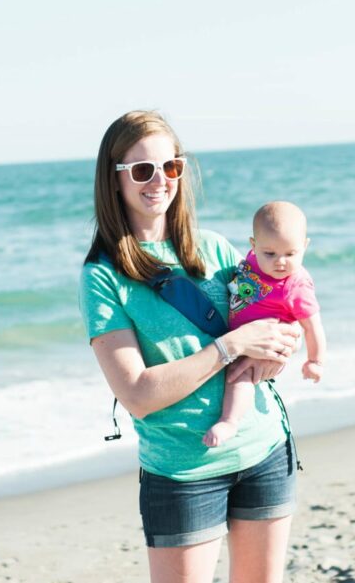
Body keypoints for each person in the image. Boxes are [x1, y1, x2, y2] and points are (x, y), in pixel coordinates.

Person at [79, 110, 302, 583]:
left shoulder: (217, 250)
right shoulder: (102, 277)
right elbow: (138, 395)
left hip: (264, 449)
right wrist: (231, 344)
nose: (158, 181)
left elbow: (265, 346)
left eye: (170, 167)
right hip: (182, 474)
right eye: (141, 170)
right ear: (113, 179)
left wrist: (280, 346)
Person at [203, 201, 327, 447]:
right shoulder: (251, 261)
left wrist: (315, 361)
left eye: (290, 254)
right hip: (240, 336)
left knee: (242, 375)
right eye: (270, 253)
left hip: (266, 347)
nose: (280, 262)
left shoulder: (296, 287)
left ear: (304, 246)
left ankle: (230, 420)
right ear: (253, 245)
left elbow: (313, 327)